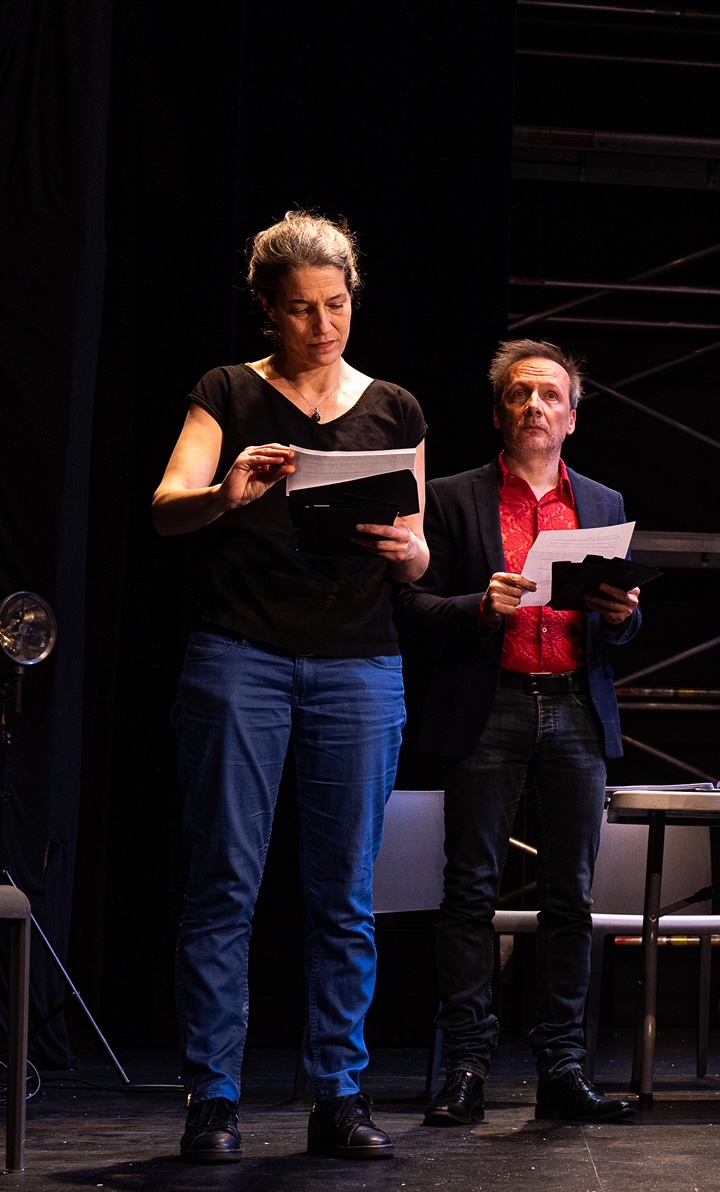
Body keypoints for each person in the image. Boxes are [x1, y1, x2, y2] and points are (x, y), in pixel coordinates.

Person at [153, 212, 428, 1162]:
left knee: (344, 892)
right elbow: (167, 507)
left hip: (359, 663)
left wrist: (407, 549)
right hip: (242, 658)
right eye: (303, 309)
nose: (324, 325)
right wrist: (226, 493)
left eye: (337, 304)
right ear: (269, 309)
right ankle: (213, 1098)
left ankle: (339, 1095)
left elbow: (418, 556)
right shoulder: (228, 391)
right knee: (224, 883)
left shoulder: (394, 407)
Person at [395, 340, 642, 1126]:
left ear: (571, 418)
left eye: (550, 395)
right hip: (489, 702)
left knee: (571, 896)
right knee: (470, 891)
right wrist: (478, 607)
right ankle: (465, 1067)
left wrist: (625, 616)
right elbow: (411, 607)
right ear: (500, 411)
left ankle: (562, 1068)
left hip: (575, 706)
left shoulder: (602, 500)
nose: (535, 405)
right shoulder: (454, 497)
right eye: (520, 394)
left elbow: (623, 625)